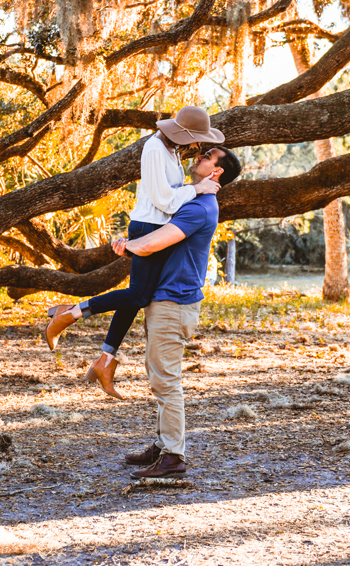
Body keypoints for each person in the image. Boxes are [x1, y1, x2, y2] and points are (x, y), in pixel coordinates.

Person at [42, 106, 224, 399]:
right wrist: (198, 188)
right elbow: (165, 201)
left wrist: (194, 190)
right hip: (148, 228)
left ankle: (106, 359)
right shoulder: (154, 148)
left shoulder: (172, 152)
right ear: (185, 134)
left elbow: (167, 200)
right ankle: (71, 314)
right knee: (139, 296)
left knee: (136, 295)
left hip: (155, 229)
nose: (198, 147)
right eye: (197, 140)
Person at [117, 144, 242, 479]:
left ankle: (173, 457)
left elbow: (151, 243)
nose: (198, 156)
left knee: (166, 382)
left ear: (216, 173)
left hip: (173, 304)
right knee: (159, 375)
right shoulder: (196, 200)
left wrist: (125, 245)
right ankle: (163, 444)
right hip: (168, 299)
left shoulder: (199, 208)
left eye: (207, 157)